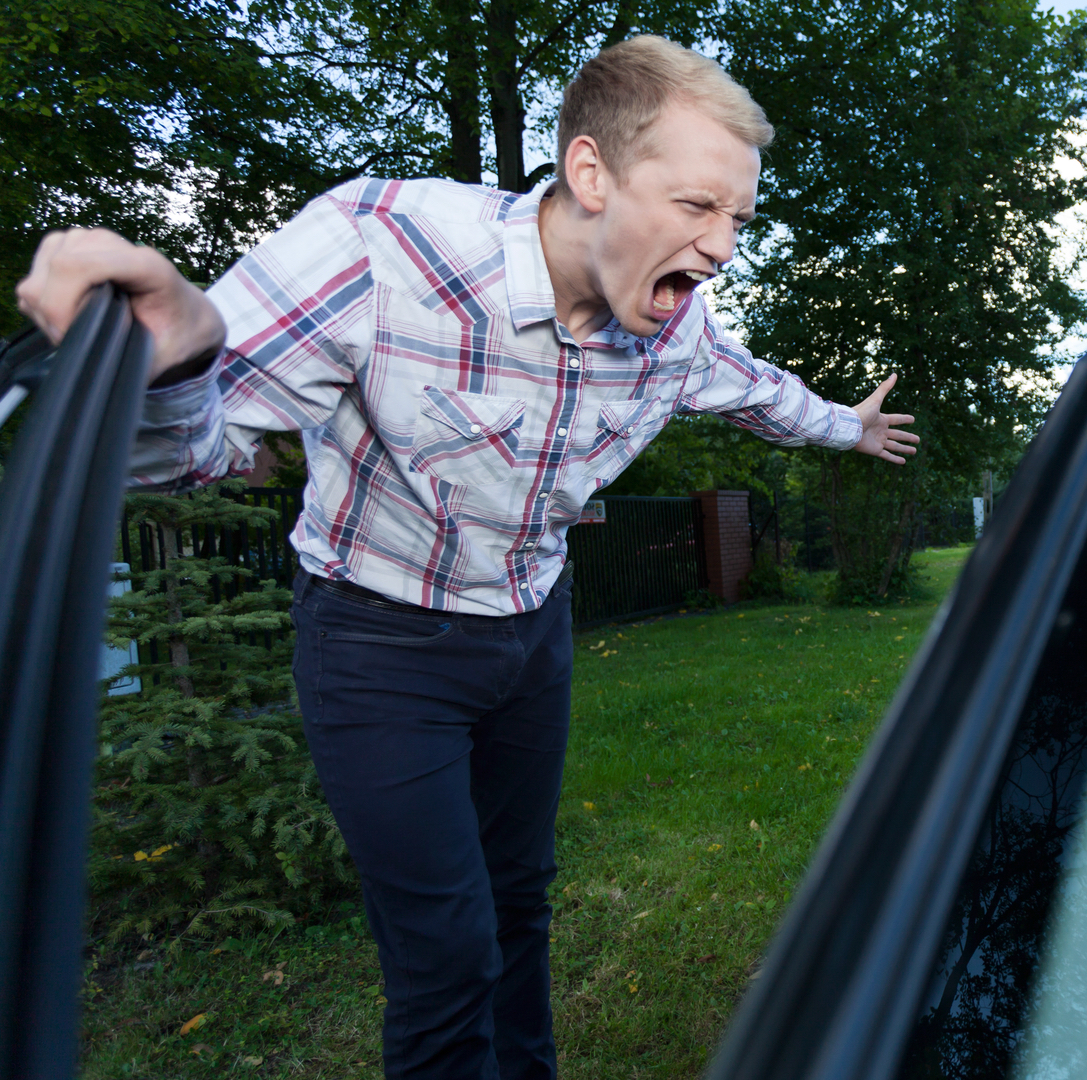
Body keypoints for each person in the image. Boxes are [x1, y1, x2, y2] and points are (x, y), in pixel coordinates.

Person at [15, 36, 918, 1080]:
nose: (721, 247)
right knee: (446, 954)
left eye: (737, 220)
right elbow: (194, 448)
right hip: (379, 643)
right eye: (695, 208)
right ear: (591, 174)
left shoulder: (675, 331)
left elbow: (759, 391)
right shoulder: (381, 248)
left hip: (533, 635)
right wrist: (171, 362)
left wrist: (846, 429)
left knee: (520, 900)